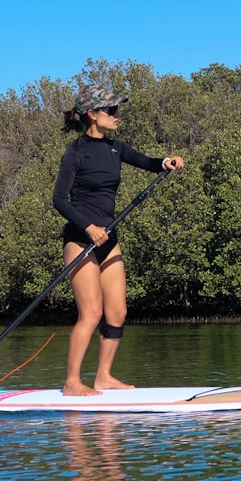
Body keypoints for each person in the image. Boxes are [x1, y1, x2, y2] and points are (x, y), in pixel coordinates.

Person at [53, 84, 184, 396]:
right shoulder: (75, 153)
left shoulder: (116, 148)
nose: (116, 115)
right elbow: (60, 200)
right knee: (92, 313)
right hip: (80, 239)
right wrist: (88, 227)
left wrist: (166, 162)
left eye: (116, 109)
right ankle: (72, 382)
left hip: (109, 238)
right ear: (92, 114)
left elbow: (148, 161)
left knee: (117, 312)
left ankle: (103, 376)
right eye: (110, 110)